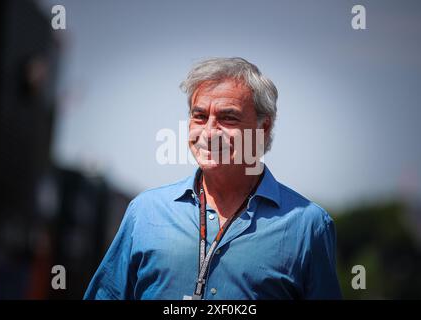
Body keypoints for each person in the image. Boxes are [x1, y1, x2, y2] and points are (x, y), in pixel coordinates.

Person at [84, 57, 342, 300]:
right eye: (199, 116)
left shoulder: (308, 226)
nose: (209, 132)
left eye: (228, 117)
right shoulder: (145, 212)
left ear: (263, 128)